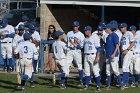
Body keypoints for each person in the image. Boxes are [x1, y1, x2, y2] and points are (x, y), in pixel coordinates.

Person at [66, 21, 85, 87]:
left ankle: (81, 81)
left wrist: (76, 45)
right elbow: (67, 42)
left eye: (76, 26)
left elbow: (82, 46)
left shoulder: (81, 34)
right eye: (74, 26)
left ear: (78, 26)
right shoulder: (69, 33)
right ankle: (64, 81)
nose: (75, 27)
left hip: (77, 51)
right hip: (70, 50)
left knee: (79, 66)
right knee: (66, 65)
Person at [83, 26, 101, 91]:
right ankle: (86, 85)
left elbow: (98, 48)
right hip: (86, 55)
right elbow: (82, 47)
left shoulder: (95, 37)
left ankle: (98, 86)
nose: (85, 32)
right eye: (84, 30)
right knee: (86, 72)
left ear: (89, 31)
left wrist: (97, 56)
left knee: (95, 71)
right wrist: (74, 43)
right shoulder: (85, 38)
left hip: (93, 55)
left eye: (86, 30)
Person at [105, 23, 122, 90]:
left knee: (115, 70)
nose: (105, 29)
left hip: (113, 56)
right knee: (108, 71)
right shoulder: (107, 36)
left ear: (109, 28)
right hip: (108, 55)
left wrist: (114, 53)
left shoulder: (114, 35)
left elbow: (117, 45)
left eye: (106, 28)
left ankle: (121, 85)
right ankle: (108, 85)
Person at [120, 23, 134, 88]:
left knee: (124, 67)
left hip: (128, 51)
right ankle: (126, 83)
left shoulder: (129, 33)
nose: (121, 28)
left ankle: (123, 82)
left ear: (125, 27)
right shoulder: (123, 35)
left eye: (122, 27)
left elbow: (132, 43)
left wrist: (127, 50)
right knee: (126, 68)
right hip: (124, 52)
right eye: (120, 27)